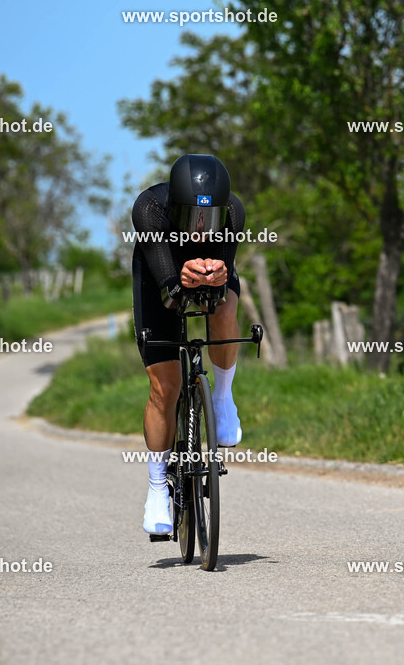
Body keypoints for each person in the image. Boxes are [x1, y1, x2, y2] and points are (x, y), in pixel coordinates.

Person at [131, 153, 246, 536]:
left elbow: (223, 279)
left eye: (208, 219)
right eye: (192, 219)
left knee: (226, 306)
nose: (200, 230)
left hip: (208, 272)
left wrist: (216, 277)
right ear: (174, 205)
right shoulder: (149, 210)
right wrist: (178, 280)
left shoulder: (233, 213)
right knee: (166, 386)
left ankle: (222, 397)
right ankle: (157, 488)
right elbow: (168, 291)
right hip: (159, 271)